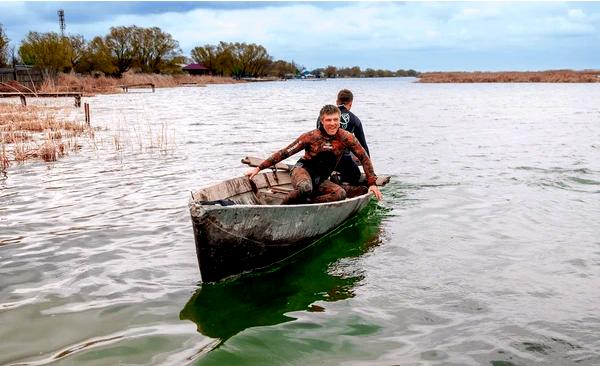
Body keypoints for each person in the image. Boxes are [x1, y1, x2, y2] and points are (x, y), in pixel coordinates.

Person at [246, 104, 382, 204]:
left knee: (340, 193)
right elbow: (285, 152)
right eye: (328, 120)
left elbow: (364, 157)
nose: (332, 123)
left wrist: (372, 183)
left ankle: (308, 204)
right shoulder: (311, 136)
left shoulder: (346, 138)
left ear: (339, 120)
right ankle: (283, 206)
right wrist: (259, 168)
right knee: (305, 188)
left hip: (321, 178)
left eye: (335, 120)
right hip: (302, 170)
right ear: (322, 121)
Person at [316, 89, 369, 184]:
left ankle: (333, 176)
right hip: (344, 159)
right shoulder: (355, 119)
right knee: (356, 176)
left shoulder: (323, 117)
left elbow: (316, 139)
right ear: (350, 104)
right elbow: (363, 145)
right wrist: (369, 169)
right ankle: (343, 180)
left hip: (323, 159)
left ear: (337, 102)